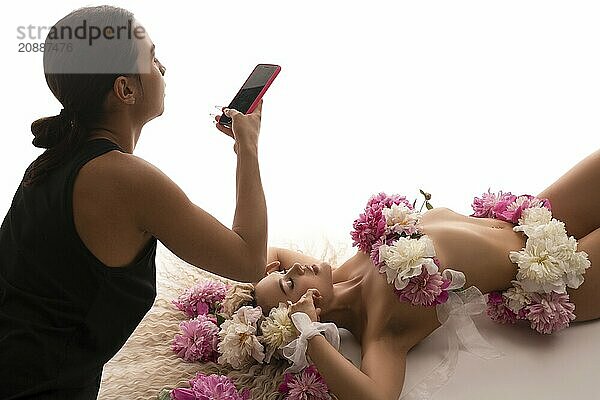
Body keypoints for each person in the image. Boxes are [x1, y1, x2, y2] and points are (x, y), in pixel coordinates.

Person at [0, 5, 269, 399]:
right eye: (152, 57)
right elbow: (249, 261)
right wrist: (248, 147)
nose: (163, 68)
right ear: (125, 89)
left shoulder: (50, 165)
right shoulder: (124, 179)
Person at [248, 148, 600, 400]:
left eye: (281, 271)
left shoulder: (345, 271)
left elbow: (270, 253)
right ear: (311, 309)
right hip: (563, 278)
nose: (293, 266)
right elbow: (376, 397)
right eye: (288, 281)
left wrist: (250, 291)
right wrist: (310, 336)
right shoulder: (381, 331)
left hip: (534, 219)